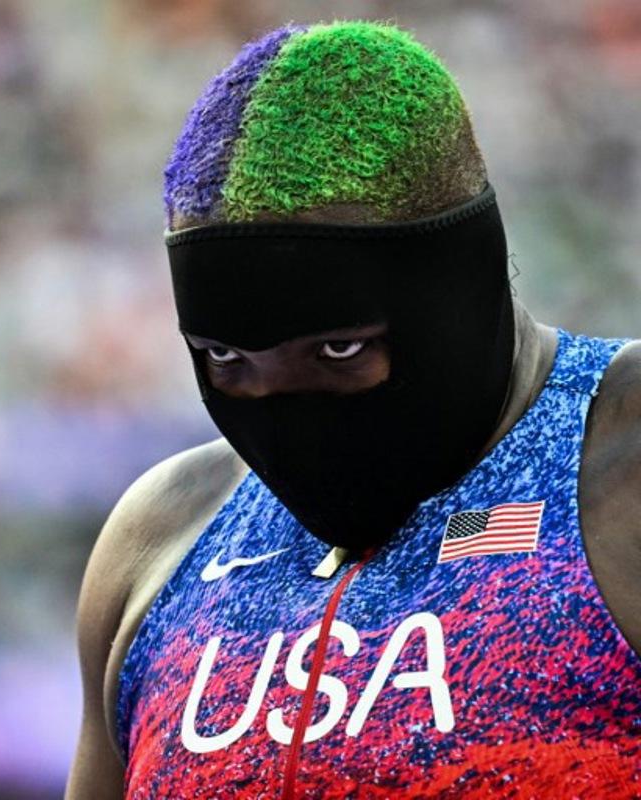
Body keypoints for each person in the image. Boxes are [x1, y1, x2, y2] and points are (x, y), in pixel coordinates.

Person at [66, 20, 641, 799]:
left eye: (337, 353)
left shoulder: (620, 459)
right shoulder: (163, 540)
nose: (279, 410)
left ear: (456, 293)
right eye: (226, 361)